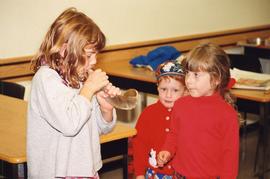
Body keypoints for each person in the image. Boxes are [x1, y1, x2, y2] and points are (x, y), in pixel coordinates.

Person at [27, 8, 121, 179]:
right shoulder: (46, 79)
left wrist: (106, 110)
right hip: (55, 173)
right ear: (65, 51)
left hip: (85, 168)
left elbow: (100, 129)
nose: (94, 61)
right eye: (90, 55)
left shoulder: (80, 77)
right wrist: (88, 89)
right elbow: (70, 124)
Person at [157, 43, 239, 179]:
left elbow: (230, 156)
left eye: (196, 75)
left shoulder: (226, 114)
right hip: (179, 175)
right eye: (187, 73)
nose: (188, 80)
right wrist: (167, 149)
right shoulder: (180, 104)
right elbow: (173, 134)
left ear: (216, 79)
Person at [132, 59, 187, 179]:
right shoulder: (148, 113)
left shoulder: (188, 115)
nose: (168, 95)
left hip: (182, 173)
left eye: (175, 90)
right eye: (163, 89)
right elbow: (139, 146)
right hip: (154, 173)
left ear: (185, 91)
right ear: (157, 87)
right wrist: (139, 173)